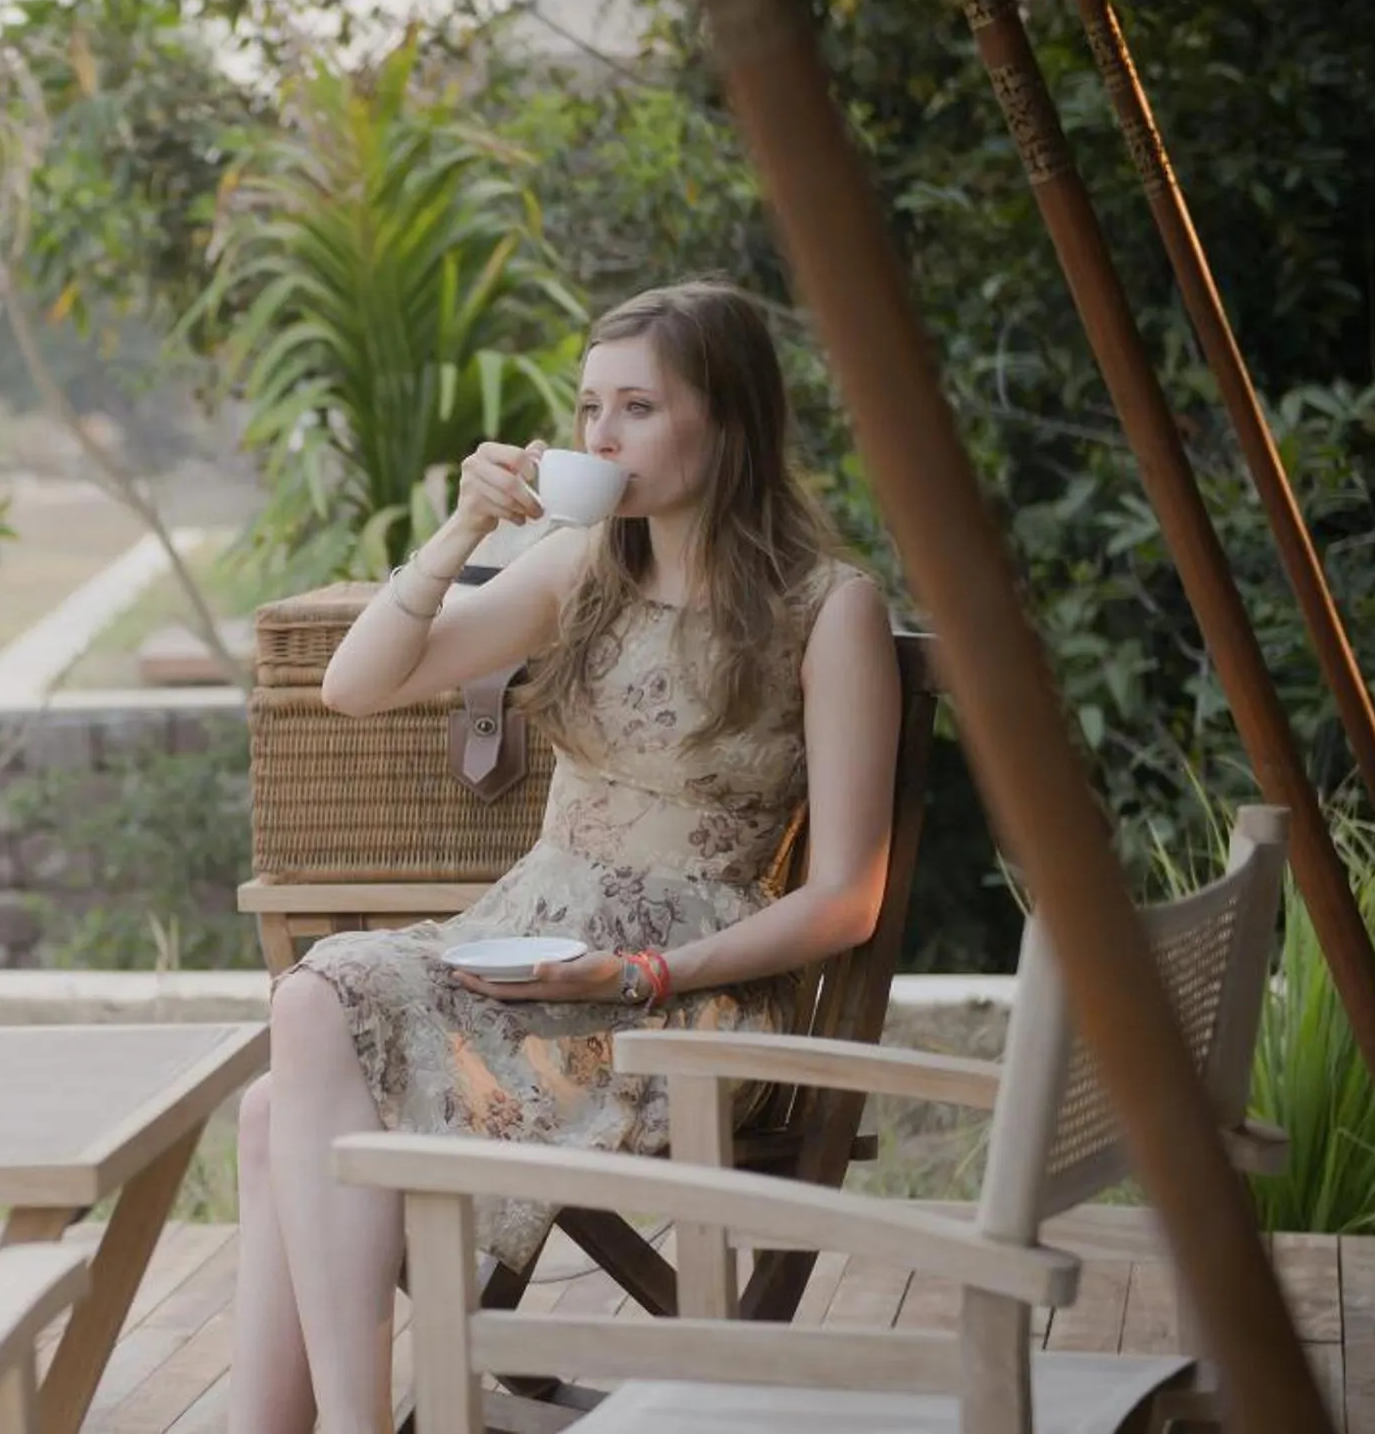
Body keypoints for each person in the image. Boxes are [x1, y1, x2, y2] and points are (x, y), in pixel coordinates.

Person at [230, 280, 902, 1433]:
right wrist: (461, 532)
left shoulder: (822, 609)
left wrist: (639, 978)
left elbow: (847, 899)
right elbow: (353, 687)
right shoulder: (583, 562)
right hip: (524, 945)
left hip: (683, 995)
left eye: (635, 406)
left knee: (310, 1013)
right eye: (588, 406)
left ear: (728, 419)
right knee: (270, 1100)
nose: (597, 436)